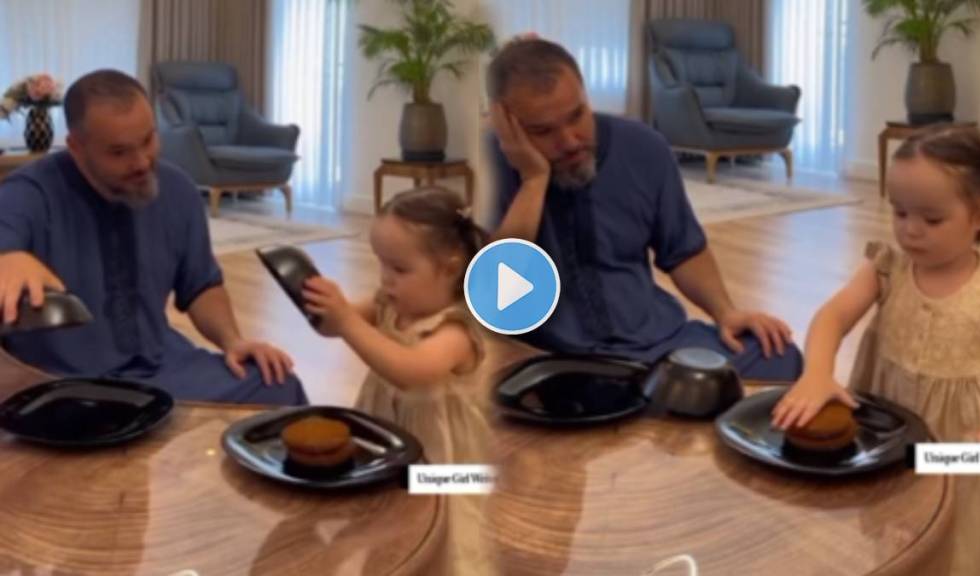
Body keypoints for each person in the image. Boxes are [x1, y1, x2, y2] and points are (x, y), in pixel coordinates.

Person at [773, 125, 980, 576]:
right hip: (892, 440)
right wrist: (817, 373)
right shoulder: (885, 268)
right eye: (900, 212)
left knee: (961, 542)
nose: (910, 230)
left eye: (931, 219)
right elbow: (831, 317)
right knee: (895, 525)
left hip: (967, 453)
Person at [486, 38, 801, 380]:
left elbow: (682, 250)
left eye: (577, 115)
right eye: (543, 131)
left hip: (655, 342)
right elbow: (499, 303)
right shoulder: (489, 164)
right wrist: (533, 180)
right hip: (553, 357)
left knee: (780, 357)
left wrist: (726, 313)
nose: (570, 140)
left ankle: (651, 398)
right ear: (507, 124)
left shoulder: (643, 147)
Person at [0, 69, 306, 405]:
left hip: (162, 368)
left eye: (148, 140)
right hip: (62, 383)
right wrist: (8, 256)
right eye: (119, 152)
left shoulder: (177, 190)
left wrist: (233, 341)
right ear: (76, 147)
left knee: (279, 386)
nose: (142, 162)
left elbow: (201, 285)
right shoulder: (32, 191)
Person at [302, 187, 495, 575]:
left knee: (444, 538)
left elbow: (410, 370)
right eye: (382, 265)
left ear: (451, 267)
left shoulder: (455, 330)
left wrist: (347, 321)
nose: (386, 280)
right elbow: (333, 328)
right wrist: (319, 305)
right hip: (388, 442)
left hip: (441, 463)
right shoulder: (389, 303)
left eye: (400, 269)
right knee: (387, 525)